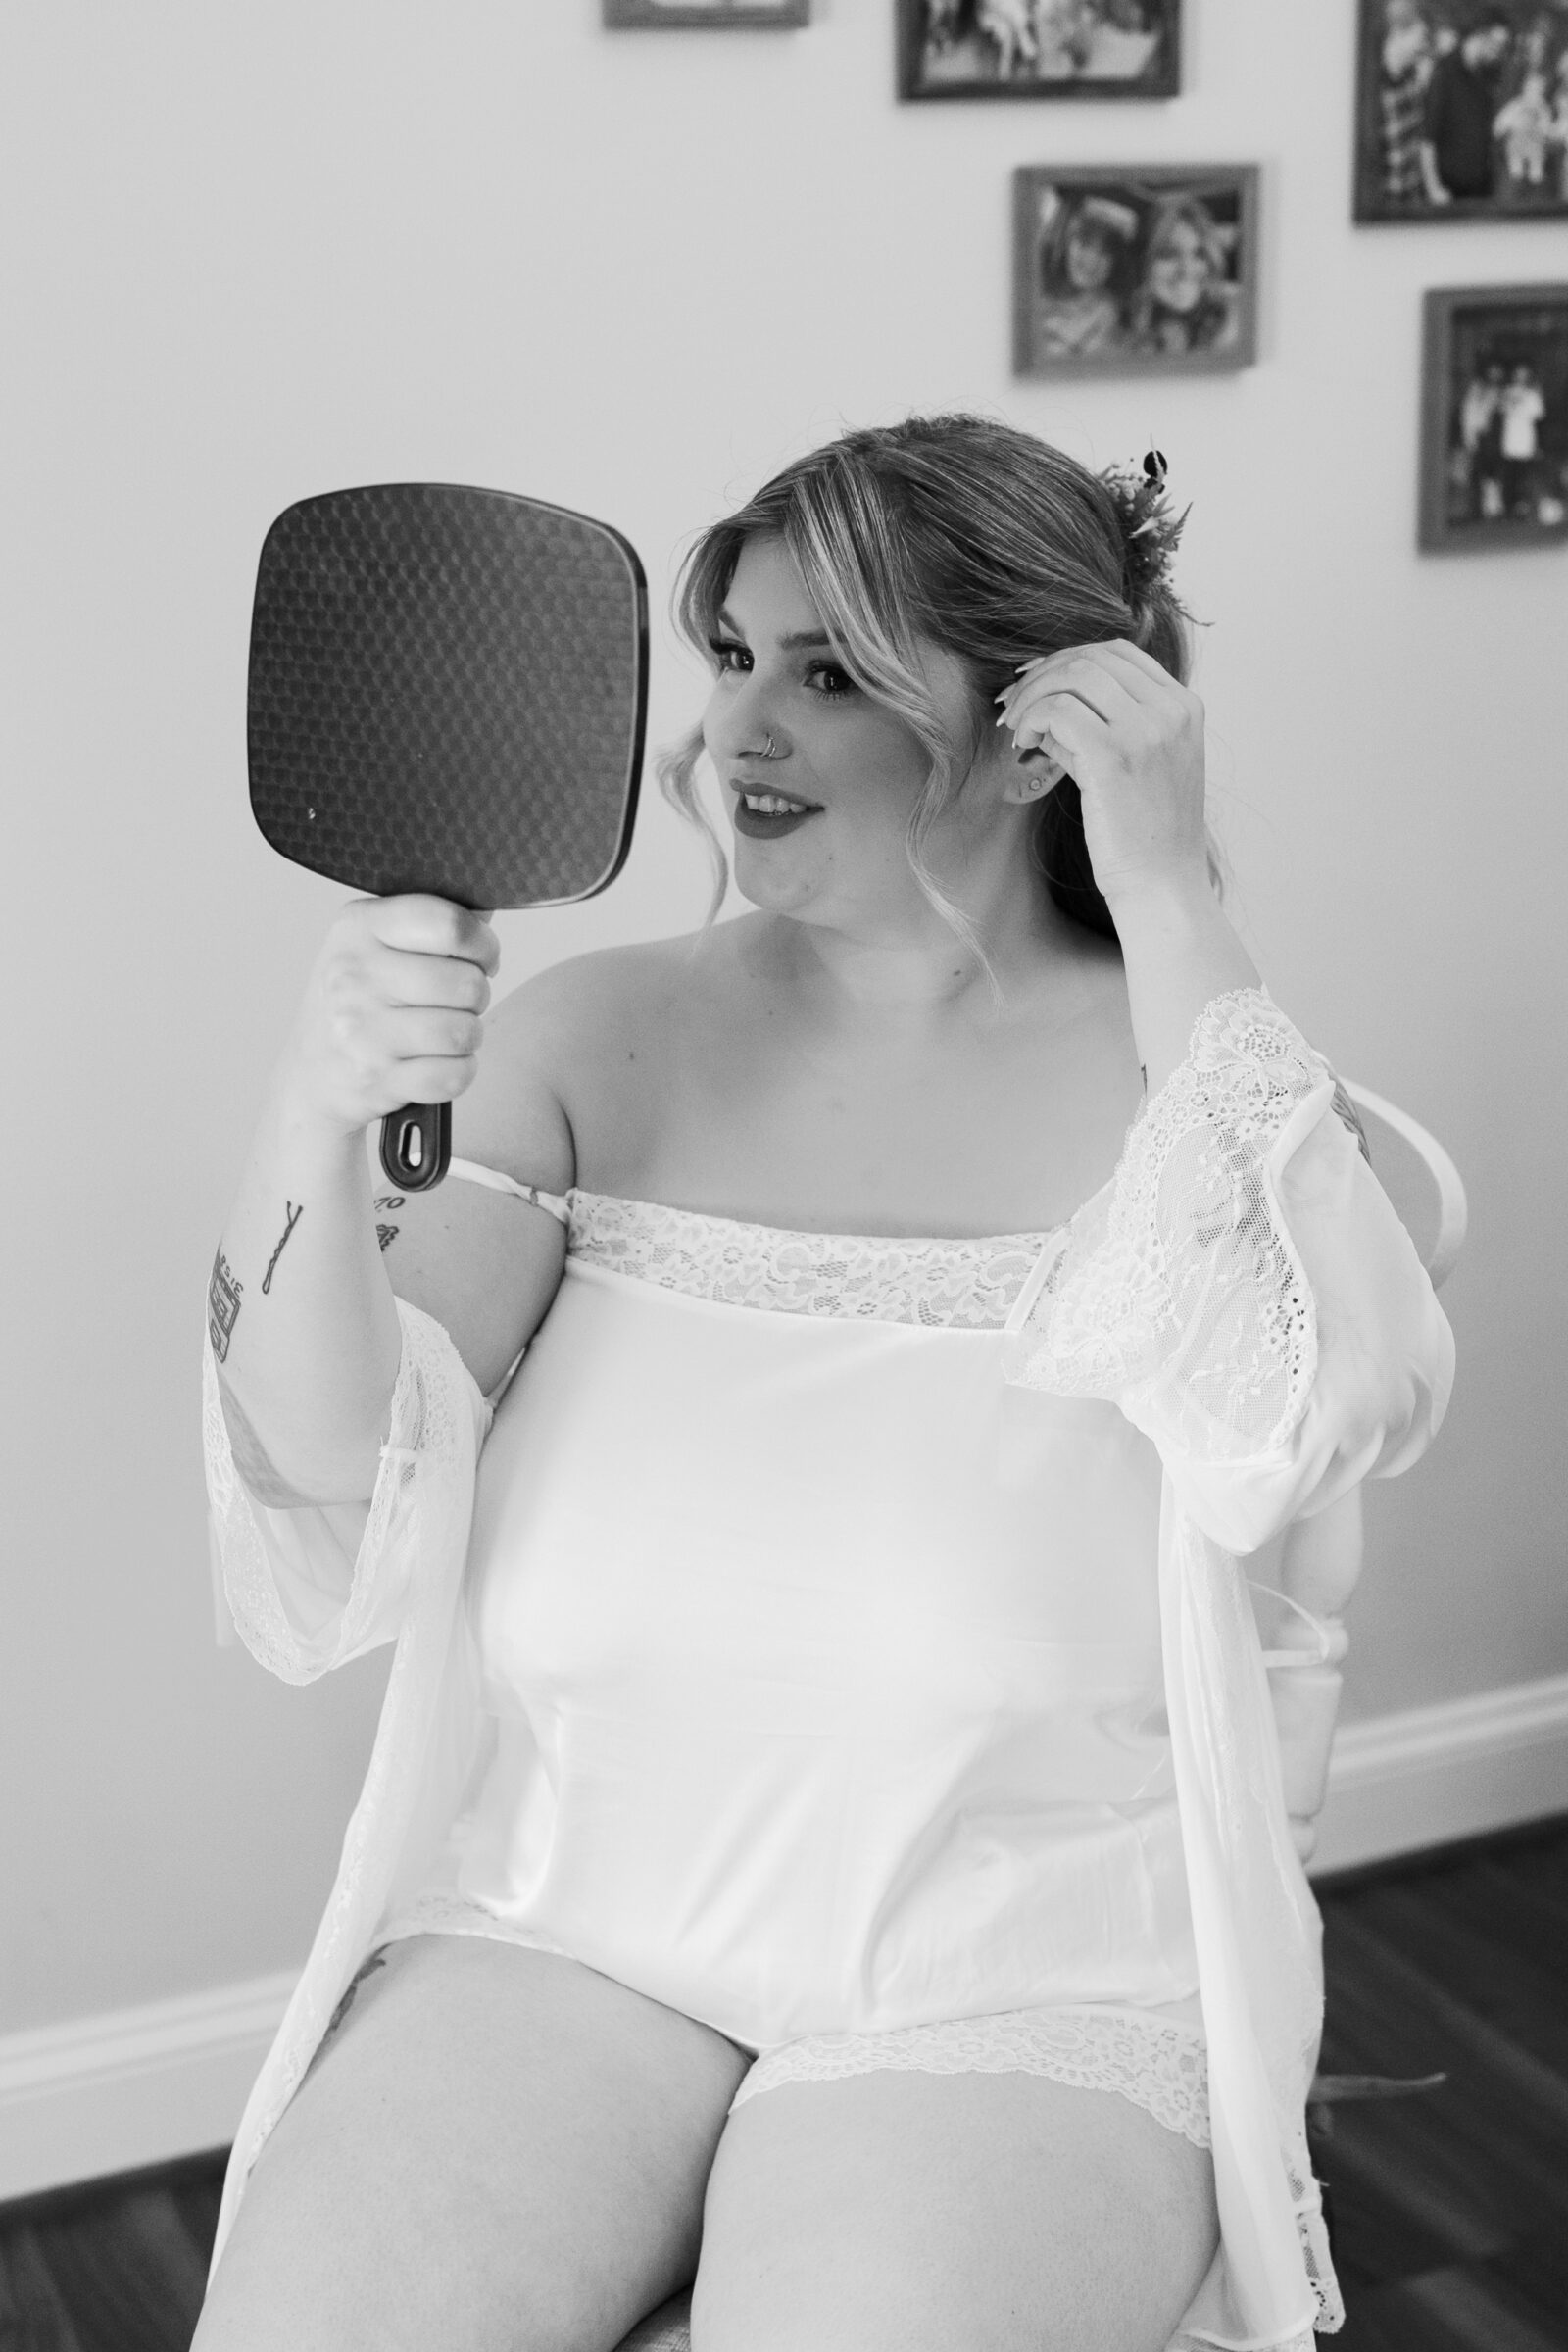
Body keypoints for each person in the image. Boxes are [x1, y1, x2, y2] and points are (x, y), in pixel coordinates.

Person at [194, 415, 1453, 2352]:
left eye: (830, 672)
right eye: (729, 658)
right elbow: (326, 1479)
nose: (734, 733)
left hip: (1016, 1978)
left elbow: (1324, 1402)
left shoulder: (1199, 1105)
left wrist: (1175, 896)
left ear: (1040, 727)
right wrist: (312, 1104)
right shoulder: (590, 1041)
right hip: (573, 1921)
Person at [1126, 195, 1241, 357]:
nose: (1186, 270)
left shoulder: (1238, 317)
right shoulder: (1131, 323)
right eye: (1169, 254)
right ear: (1145, 265)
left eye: (1199, 254)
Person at [1419, 9, 1513, 201]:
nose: (1498, 53)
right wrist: (1434, 189)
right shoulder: (1443, 74)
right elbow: (1427, 139)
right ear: (1478, 34)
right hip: (1449, 194)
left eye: (1503, 47)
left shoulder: (1487, 75)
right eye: (1496, 44)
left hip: (1481, 193)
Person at [1033, 191, 1138, 358]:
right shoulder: (1030, 297)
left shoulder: (1114, 331)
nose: (1091, 259)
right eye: (1084, 240)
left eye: (1107, 251)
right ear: (1066, 241)